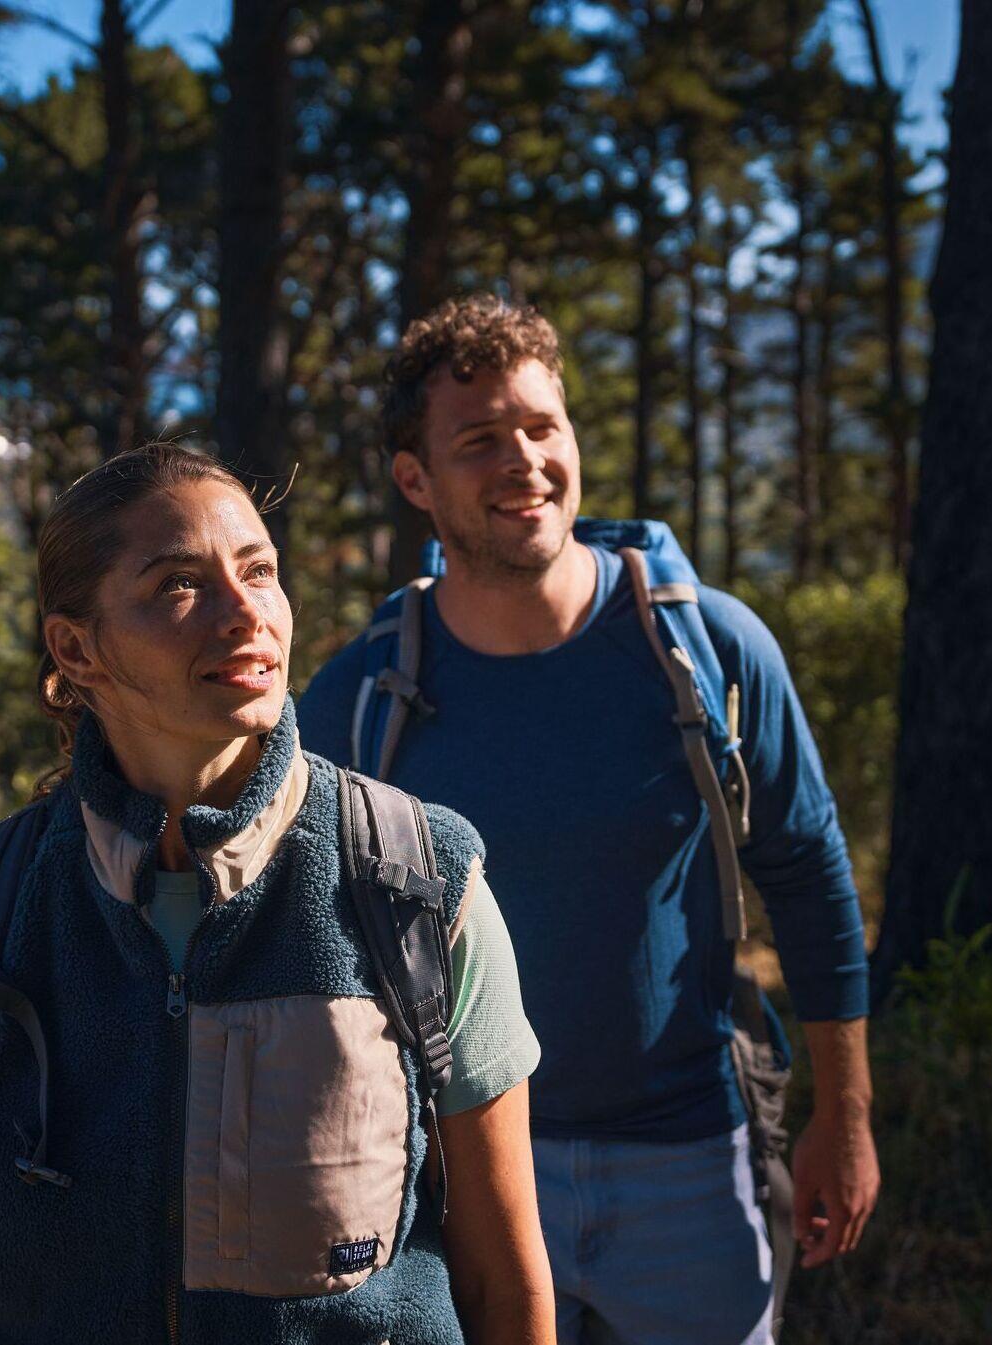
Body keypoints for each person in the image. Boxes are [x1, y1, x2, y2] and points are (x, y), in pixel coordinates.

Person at [0, 441, 556, 1345]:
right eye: (178, 584)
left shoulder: (418, 878)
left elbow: (503, 1282)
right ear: (75, 649)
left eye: (259, 569)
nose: (246, 613)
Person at [298, 295, 881, 1345]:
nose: (523, 458)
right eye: (480, 440)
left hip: (695, 1161)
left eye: (542, 427)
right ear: (415, 480)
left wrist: (844, 1114)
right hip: (464, 1178)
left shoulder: (709, 652)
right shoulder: (357, 700)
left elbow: (807, 872)